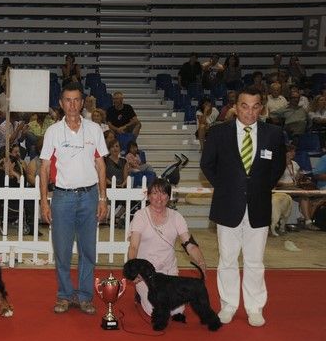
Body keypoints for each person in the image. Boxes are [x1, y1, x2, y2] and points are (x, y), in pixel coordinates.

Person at [200, 87, 285, 327]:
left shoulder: (274, 134)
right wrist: (228, 187)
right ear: (236, 107)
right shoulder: (218, 133)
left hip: (258, 206)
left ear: (262, 108)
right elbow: (207, 165)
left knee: (255, 260)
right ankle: (228, 305)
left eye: (255, 106)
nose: (249, 112)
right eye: (244, 106)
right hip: (227, 205)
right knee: (227, 259)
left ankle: (254, 307)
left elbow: (277, 168)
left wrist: (257, 189)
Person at [39, 81, 108, 315]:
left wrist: (103, 198)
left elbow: (100, 165)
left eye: (76, 99)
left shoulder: (95, 130)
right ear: (61, 103)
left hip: (89, 197)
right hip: (62, 198)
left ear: (83, 102)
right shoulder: (52, 132)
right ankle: (65, 295)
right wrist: (43, 201)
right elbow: (44, 168)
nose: (72, 104)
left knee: (88, 250)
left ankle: (86, 296)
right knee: (62, 251)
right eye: (67, 100)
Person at [126, 178, 208, 317]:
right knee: (154, 311)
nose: (159, 198)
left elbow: (189, 245)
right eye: (155, 193)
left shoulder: (177, 217)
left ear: (169, 197)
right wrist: (135, 273)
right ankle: (140, 294)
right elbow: (133, 247)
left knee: (176, 311)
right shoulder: (140, 216)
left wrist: (201, 262)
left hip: (169, 273)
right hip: (147, 275)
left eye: (163, 193)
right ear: (148, 195)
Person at [276, 144, 319, 231]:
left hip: (294, 187)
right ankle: (307, 221)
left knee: (305, 196)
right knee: (304, 194)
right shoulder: (278, 164)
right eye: (291, 151)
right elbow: (274, 180)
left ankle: (307, 221)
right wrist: (286, 184)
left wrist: (301, 177)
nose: (294, 153)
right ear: (285, 153)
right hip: (282, 188)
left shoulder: (295, 164)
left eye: (294, 151)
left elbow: (297, 178)